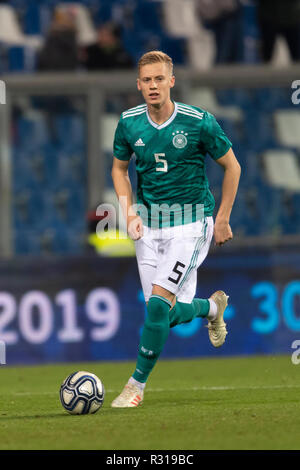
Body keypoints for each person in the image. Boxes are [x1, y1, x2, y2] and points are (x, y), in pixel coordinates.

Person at [111, 51, 241, 408]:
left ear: (171, 81)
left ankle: (135, 386)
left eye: (159, 79)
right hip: (148, 230)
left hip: (190, 225)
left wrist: (223, 218)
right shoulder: (128, 123)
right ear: (139, 86)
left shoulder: (198, 122)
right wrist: (129, 212)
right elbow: (119, 170)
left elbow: (233, 167)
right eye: (146, 80)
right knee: (163, 315)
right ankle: (212, 309)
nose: (153, 86)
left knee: (155, 308)